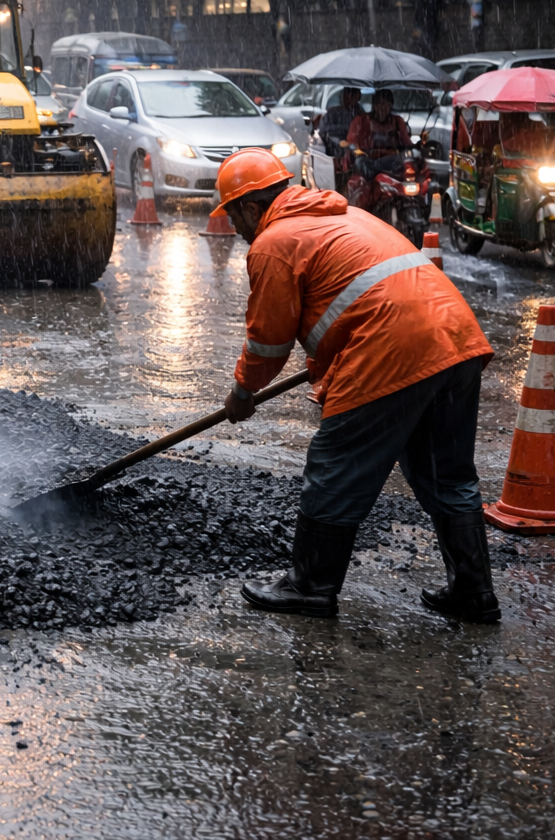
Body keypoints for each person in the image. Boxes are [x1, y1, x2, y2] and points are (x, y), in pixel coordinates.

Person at [213, 148, 498, 623]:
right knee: (444, 473)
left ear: (248, 206)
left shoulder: (274, 243)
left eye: (233, 216)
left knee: (336, 466)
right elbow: (353, 295)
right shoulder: (347, 214)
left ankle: (309, 586)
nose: (236, 230)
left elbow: (268, 341)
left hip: (392, 350)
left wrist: (242, 393)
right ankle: (474, 592)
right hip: (455, 338)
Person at [347, 88, 412, 175]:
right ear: (374, 105)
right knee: (360, 162)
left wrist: (419, 147)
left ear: (390, 105)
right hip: (368, 163)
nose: (381, 108)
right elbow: (351, 144)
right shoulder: (360, 121)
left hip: (392, 164)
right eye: (378, 104)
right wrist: (360, 153)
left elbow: (407, 143)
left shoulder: (397, 121)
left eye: (385, 104)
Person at [317, 86, 361, 159]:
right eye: (347, 92)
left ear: (359, 96)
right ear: (342, 95)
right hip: (328, 156)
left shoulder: (362, 117)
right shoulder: (331, 113)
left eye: (353, 93)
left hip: (353, 156)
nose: (349, 96)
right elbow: (320, 132)